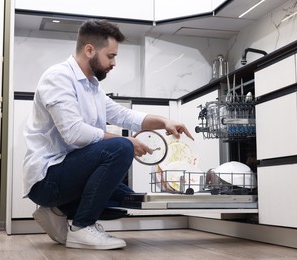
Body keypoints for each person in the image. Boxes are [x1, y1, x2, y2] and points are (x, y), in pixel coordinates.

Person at [23, 19, 194, 250]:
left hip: (69, 174)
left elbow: (124, 115)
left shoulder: (92, 86)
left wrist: (165, 121)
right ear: (90, 50)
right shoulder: (58, 77)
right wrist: (126, 141)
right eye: (111, 56)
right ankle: (82, 228)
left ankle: (59, 210)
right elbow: (74, 133)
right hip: (48, 179)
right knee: (121, 147)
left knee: (125, 200)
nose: (114, 63)